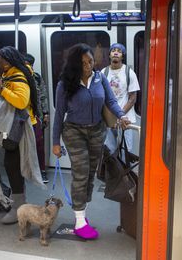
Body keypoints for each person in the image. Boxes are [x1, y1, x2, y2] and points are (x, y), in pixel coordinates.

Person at [52, 43, 130, 240]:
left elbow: (111, 101)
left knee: (89, 175)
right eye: (84, 63)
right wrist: (55, 142)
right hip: (74, 131)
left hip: (97, 131)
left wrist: (121, 115)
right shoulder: (65, 84)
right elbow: (59, 114)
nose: (89, 66)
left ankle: (81, 210)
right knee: (80, 173)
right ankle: (79, 221)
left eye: (91, 61)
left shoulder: (99, 78)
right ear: (75, 65)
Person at [0, 46, 40, 224]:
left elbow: (21, 101)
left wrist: (1, 88)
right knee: (12, 165)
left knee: (11, 165)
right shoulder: (11, 74)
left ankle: (18, 207)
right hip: (12, 125)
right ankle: (20, 205)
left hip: (19, 127)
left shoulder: (18, 76)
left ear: (8, 60)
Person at [101, 43, 140, 152]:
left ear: (122, 56)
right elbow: (101, 97)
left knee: (125, 152)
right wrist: (110, 118)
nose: (116, 53)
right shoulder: (104, 73)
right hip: (109, 121)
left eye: (119, 51)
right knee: (109, 153)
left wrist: (119, 116)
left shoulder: (129, 73)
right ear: (109, 55)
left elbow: (133, 99)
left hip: (125, 120)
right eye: (113, 51)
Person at [24, 53, 50, 183]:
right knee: (25, 145)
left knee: (39, 144)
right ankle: (28, 170)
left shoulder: (37, 78)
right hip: (23, 117)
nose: (30, 68)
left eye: (31, 65)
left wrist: (46, 113)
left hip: (37, 115)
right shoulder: (19, 78)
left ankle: (42, 170)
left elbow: (43, 96)